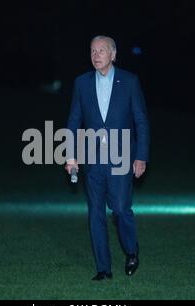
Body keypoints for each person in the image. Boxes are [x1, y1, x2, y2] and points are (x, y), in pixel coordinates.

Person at [65, 35, 150, 280]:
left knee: (121, 210)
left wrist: (141, 156)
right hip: (93, 161)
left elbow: (141, 121)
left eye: (102, 50)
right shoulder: (81, 83)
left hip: (122, 157)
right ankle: (104, 268)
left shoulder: (130, 81)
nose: (96, 55)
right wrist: (71, 155)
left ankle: (131, 250)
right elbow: (73, 121)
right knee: (95, 214)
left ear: (113, 54)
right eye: (92, 50)